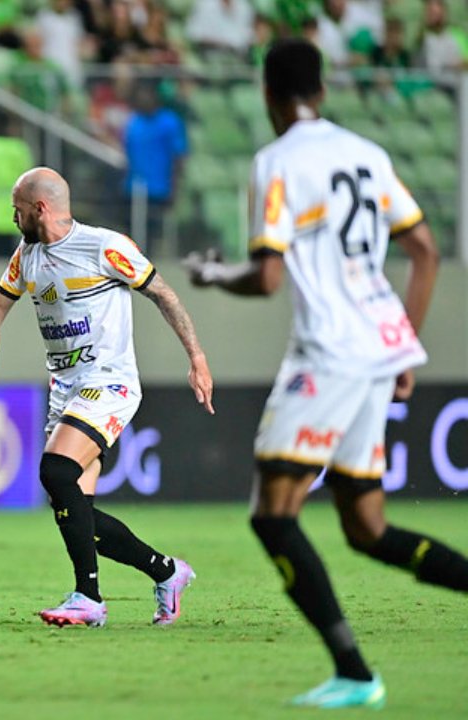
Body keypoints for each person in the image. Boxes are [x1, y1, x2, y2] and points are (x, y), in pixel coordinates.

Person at [183, 39, 468, 709]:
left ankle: (355, 673)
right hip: (378, 349)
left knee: (272, 516)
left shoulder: (275, 164)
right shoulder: (368, 155)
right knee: (366, 528)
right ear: (324, 90)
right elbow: (424, 252)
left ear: (267, 94)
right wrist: (404, 344)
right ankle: (354, 673)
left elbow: (267, 275)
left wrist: (214, 274)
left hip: (329, 354)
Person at [0, 166, 211, 628]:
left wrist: (195, 356)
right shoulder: (26, 255)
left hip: (109, 381)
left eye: (17, 209)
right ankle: (168, 572)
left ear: (40, 208)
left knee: (56, 470)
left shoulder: (104, 246)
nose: (12, 218)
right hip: (65, 388)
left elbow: (164, 295)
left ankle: (88, 599)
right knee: (80, 516)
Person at [123, 81, 187, 256]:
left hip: (158, 188)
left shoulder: (169, 122)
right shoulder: (134, 122)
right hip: (133, 187)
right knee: (130, 236)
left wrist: (174, 186)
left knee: (150, 238)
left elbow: (178, 155)